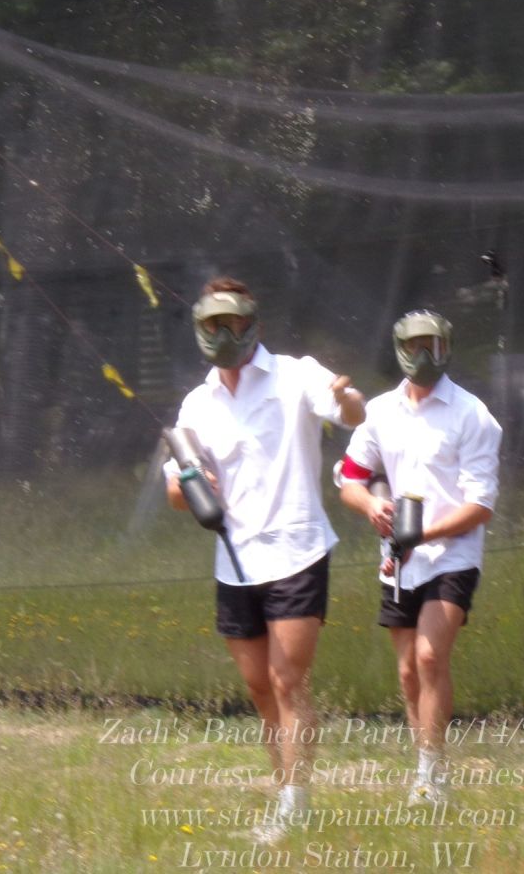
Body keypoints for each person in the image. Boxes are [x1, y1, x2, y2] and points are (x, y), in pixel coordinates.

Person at [164, 276, 364, 837]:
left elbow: (349, 412)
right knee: (258, 687)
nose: (222, 335)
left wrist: (348, 399)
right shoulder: (197, 402)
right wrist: (192, 483)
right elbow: (175, 493)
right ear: (200, 328)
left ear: (252, 323)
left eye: (231, 323)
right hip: (235, 561)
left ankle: (294, 808)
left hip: (297, 550)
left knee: (286, 680)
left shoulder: (296, 374)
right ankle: (284, 793)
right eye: (212, 325)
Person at [337, 310, 502, 804]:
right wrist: (371, 507)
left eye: (434, 344)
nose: (425, 354)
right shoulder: (379, 413)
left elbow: (480, 506)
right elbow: (350, 479)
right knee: (409, 670)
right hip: (398, 560)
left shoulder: (473, 415)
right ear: (400, 350)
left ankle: (433, 779)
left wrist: (422, 534)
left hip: (454, 555)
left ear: (447, 348)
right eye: (415, 345)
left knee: (431, 657)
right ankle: (425, 767)